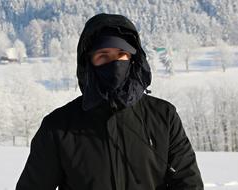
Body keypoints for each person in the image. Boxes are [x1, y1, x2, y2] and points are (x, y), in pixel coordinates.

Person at [16, 13, 203, 190]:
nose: (114, 63)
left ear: (133, 59)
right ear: (89, 63)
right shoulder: (58, 126)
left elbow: (188, 182)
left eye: (121, 54)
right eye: (103, 55)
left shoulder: (163, 116)